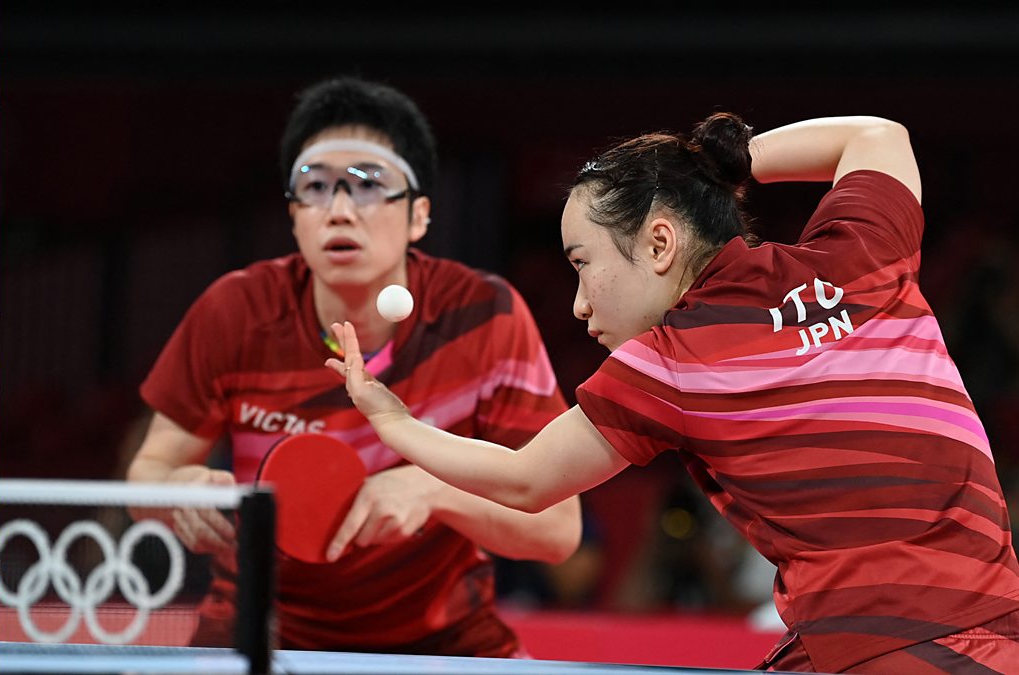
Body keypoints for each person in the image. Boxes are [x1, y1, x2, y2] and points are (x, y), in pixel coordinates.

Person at [326, 113, 1019, 672]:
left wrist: (389, 416)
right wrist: (730, 163)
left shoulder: (673, 362)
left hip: (880, 649)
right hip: (994, 633)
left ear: (659, 243)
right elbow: (877, 136)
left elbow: (525, 479)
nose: (577, 305)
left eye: (583, 263)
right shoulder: (859, 254)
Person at [126, 76, 580, 657]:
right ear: (293, 216)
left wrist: (435, 490)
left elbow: (559, 532)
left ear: (418, 216)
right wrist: (176, 491)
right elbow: (148, 475)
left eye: (368, 185)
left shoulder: (484, 316)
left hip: (443, 642)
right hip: (255, 634)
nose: (339, 210)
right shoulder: (235, 311)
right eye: (314, 187)